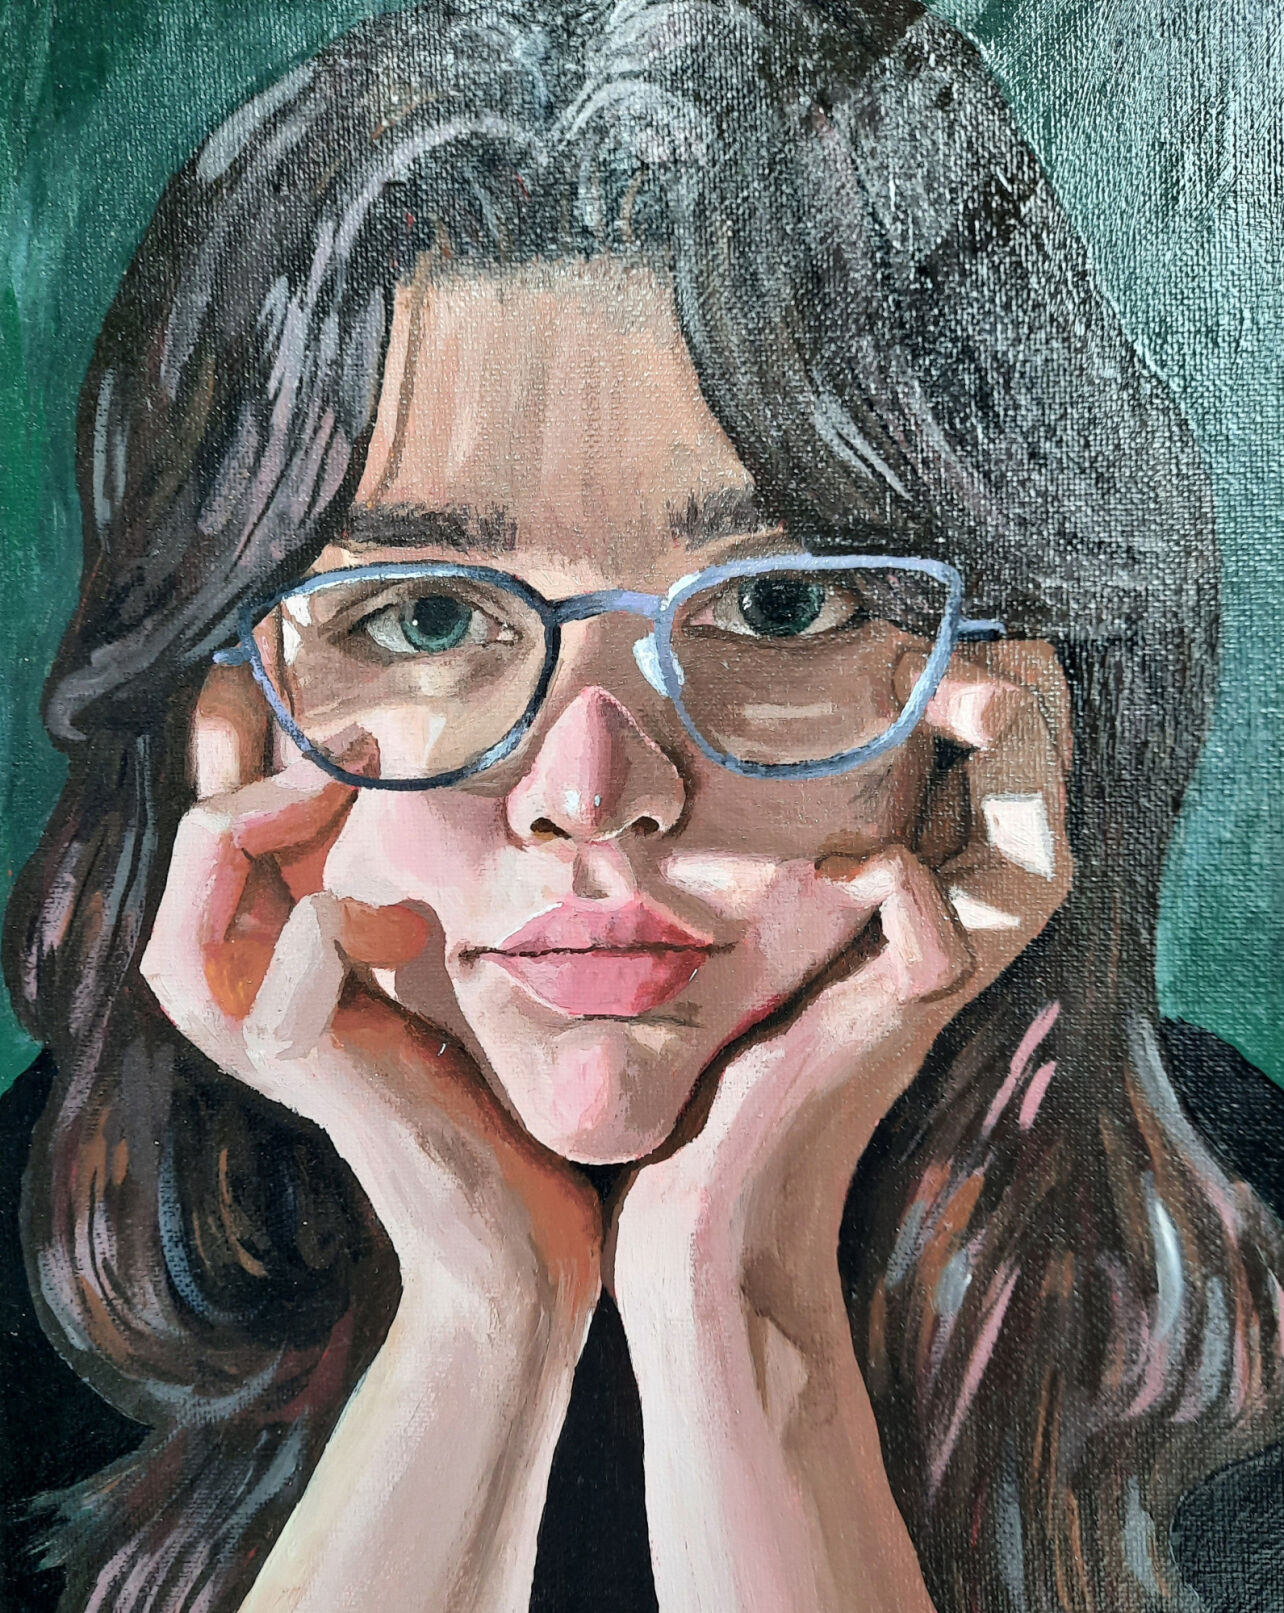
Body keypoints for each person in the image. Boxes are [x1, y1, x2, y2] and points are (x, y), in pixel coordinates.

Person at [2, 2, 1283, 1609]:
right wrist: (480, 1314)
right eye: (425, 618)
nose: (594, 793)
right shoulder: (37, 1258)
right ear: (235, 725)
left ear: (999, 710)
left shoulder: (1236, 1236)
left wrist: (742, 1293)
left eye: (782, 607)